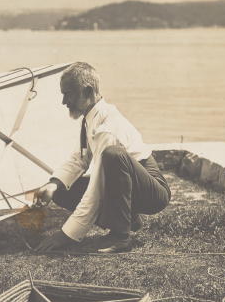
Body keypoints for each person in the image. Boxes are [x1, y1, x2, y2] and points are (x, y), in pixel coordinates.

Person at [33, 62, 171, 253]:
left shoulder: (107, 127)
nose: (64, 102)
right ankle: (129, 219)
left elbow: (96, 189)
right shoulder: (91, 116)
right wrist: (54, 183)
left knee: (113, 155)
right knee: (62, 190)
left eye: (68, 94)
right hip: (130, 182)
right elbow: (81, 157)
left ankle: (121, 236)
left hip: (153, 192)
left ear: (88, 92)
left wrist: (65, 235)